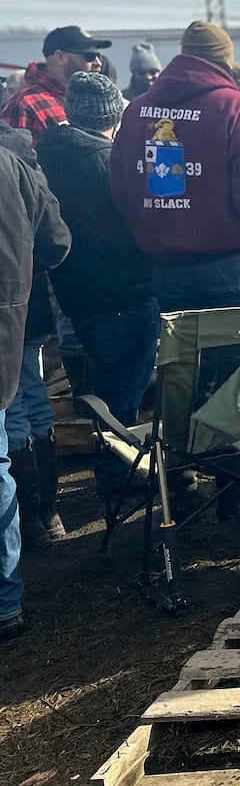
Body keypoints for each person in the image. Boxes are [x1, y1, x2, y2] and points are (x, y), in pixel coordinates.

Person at [37, 73, 159, 510]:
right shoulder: (110, 161)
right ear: (114, 113)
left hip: (78, 296)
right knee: (121, 392)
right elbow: (140, 226)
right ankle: (117, 479)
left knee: (107, 389)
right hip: (124, 294)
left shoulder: (44, 158)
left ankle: (114, 473)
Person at [109, 21, 240, 311]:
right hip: (237, 266)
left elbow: (121, 187)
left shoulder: (137, 110)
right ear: (224, 59)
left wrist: (149, 234)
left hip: (164, 266)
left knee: (179, 357)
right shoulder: (238, 108)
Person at [0, 124, 71, 635]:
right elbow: (56, 243)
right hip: (15, 321)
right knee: (24, 412)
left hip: (16, 321)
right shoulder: (17, 166)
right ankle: (44, 515)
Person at [1, 25, 112, 143]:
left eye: (99, 56)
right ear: (60, 57)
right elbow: (16, 156)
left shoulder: (95, 99)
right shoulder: (24, 104)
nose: (98, 63)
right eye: (90, 56)